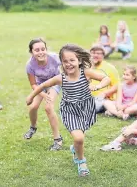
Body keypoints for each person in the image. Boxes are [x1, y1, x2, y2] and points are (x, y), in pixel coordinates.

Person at [26, 44, 110, 176]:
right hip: (69, 110)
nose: (68, 64)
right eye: (65, 61)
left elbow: (106, 78)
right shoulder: (61, 78)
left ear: (79, 61)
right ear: (61, 63)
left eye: (72, 60)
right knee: (79, 138)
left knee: (79, 138)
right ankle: (81, 161)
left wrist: (98, 86)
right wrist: (31, 96)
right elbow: (43, 85)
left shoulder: (86, 73)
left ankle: (75, 149)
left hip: (85, 109)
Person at [24, 38, 63, 151]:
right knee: (33, 107)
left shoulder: (54, 58)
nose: (40, 52)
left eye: (43, 49)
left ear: (46, 49)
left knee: (48, 108)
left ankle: (57, 140)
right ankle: (33, 127)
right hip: (40, 85)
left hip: (54, 82)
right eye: (37, 50)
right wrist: (42, 94)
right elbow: (33, 84)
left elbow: (68, 64)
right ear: (32, 52)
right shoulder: (30, 65)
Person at [89, 45, 120, 113]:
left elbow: (117, 86)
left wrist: (104, 93)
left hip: (103, 98)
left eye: (98, 53)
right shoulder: (87, 68)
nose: (95, 55)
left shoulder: (110, 68)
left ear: (103, 55)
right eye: (93, 53)